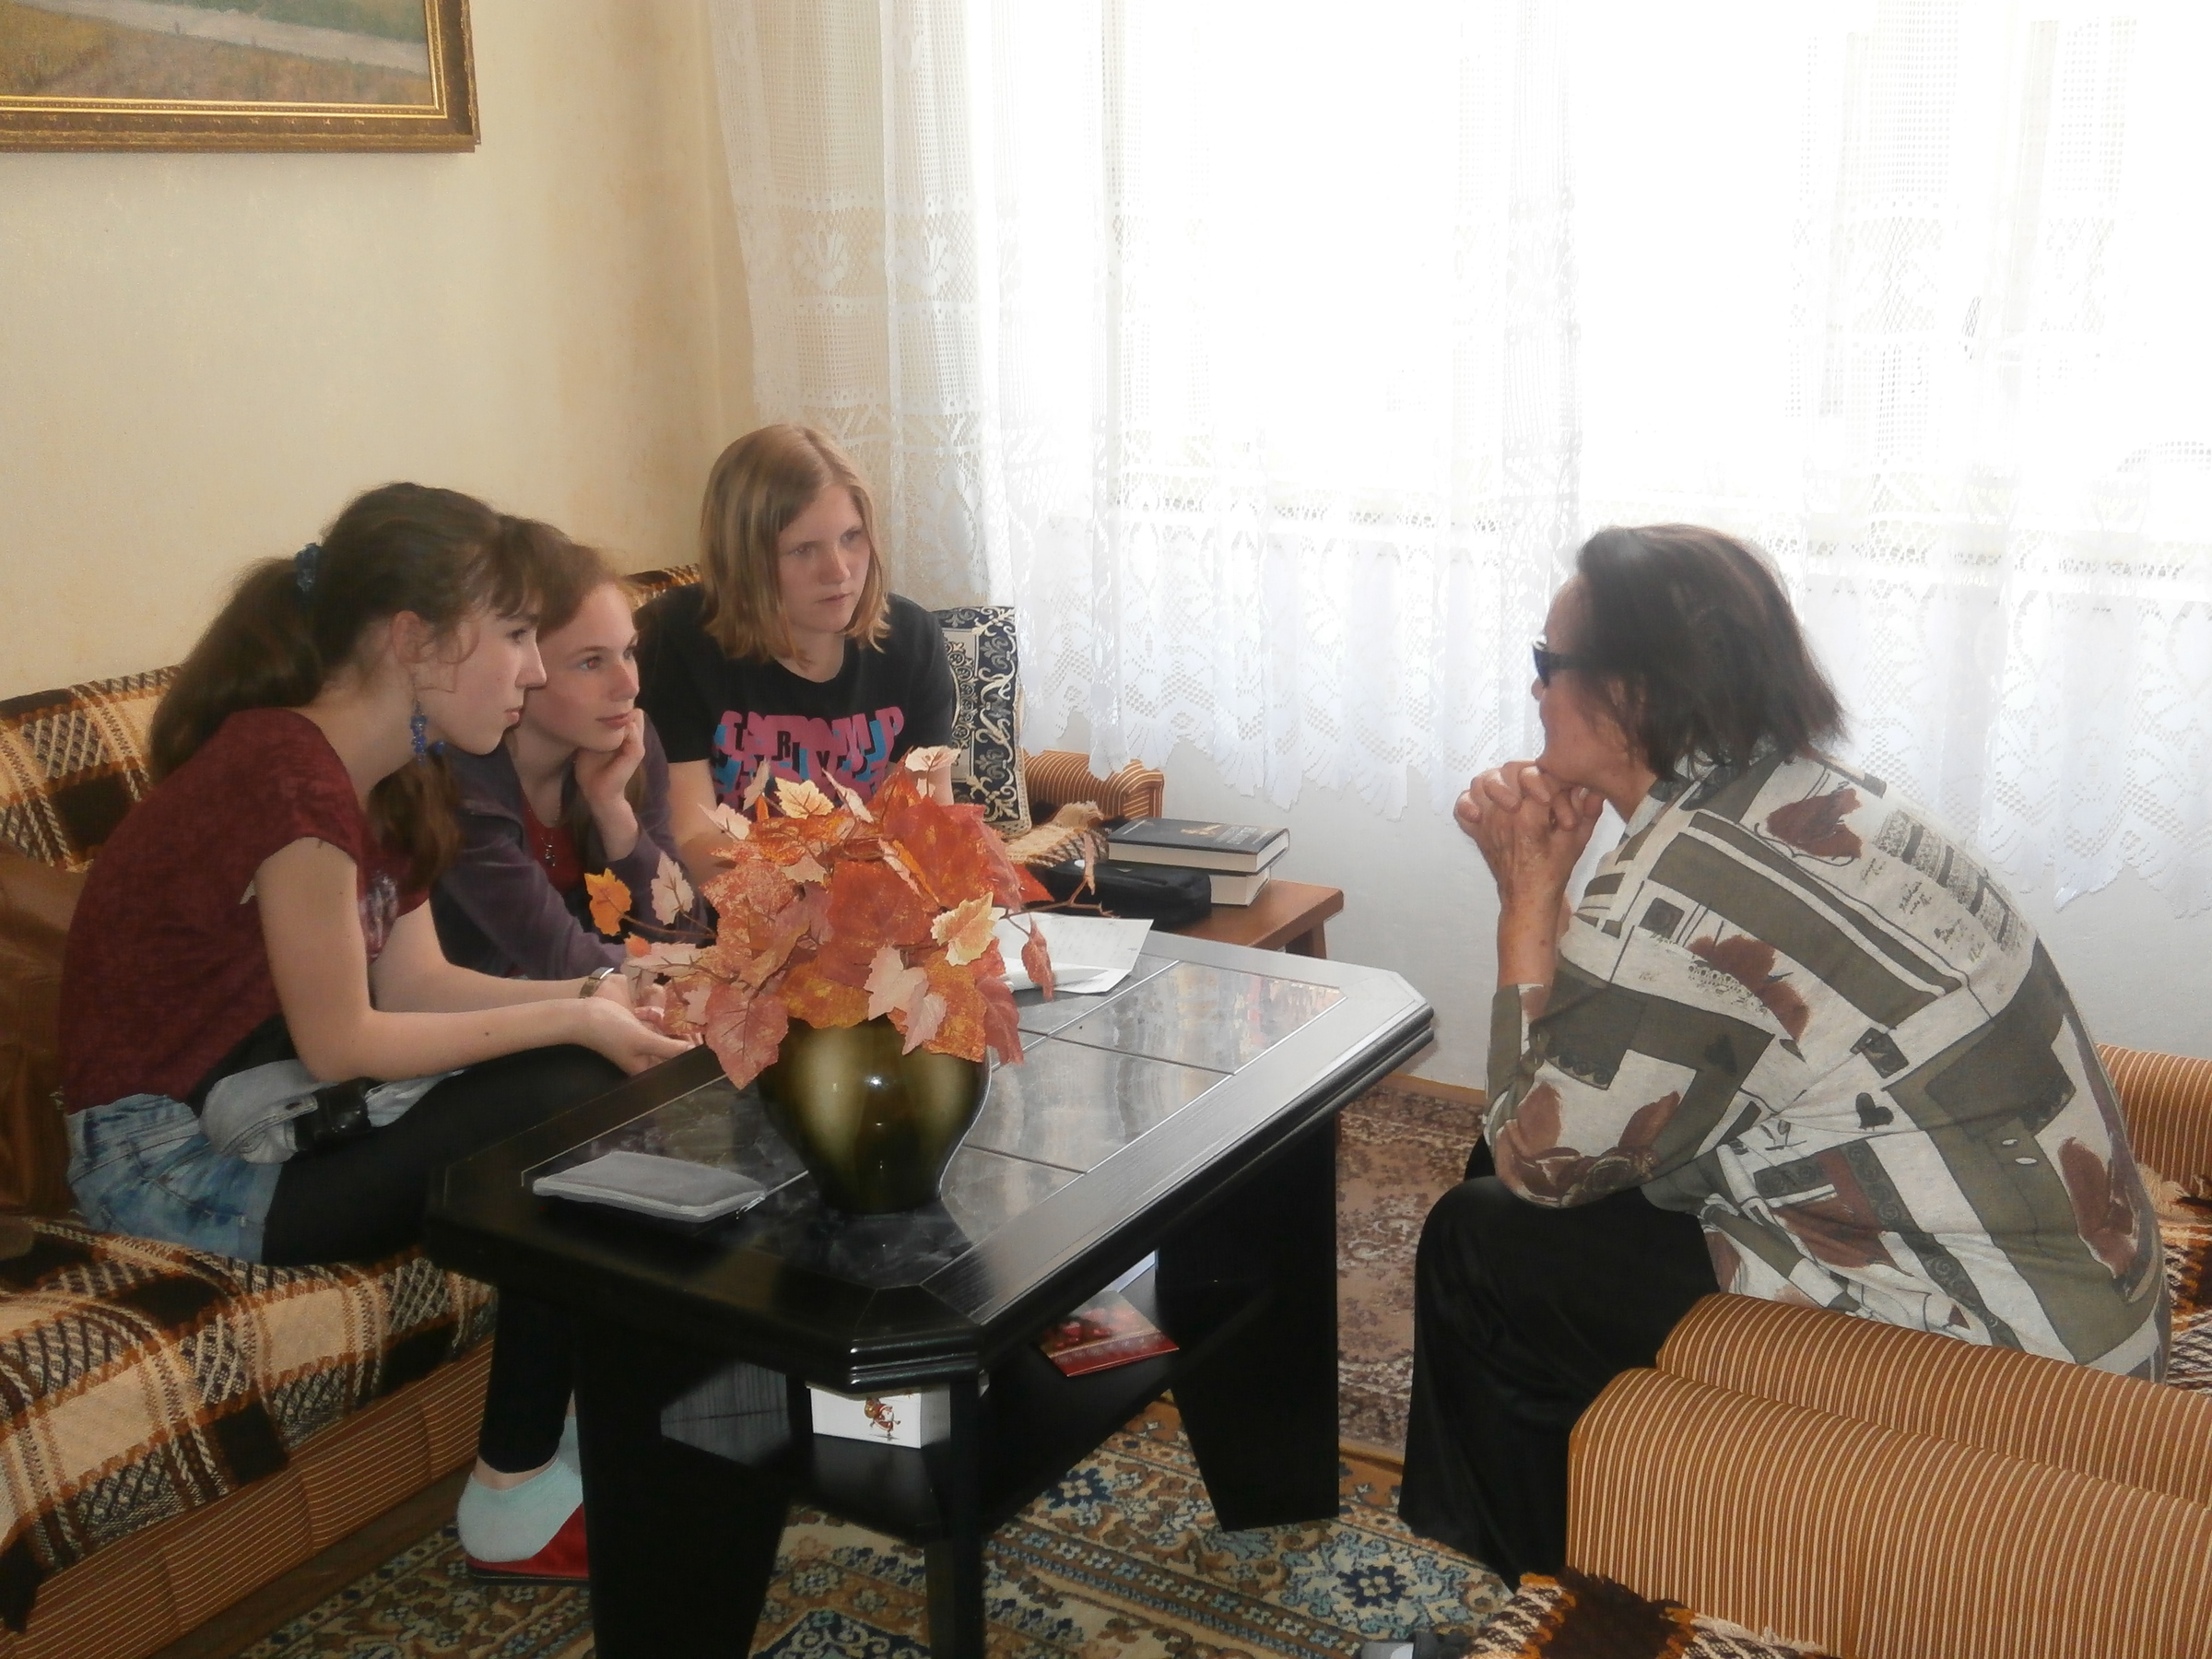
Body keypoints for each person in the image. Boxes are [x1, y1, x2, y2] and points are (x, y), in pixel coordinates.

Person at [1400, 524, 2167, 1584]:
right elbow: (1600, 1070)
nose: (1535, 688)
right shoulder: (1815, 799)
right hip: (2079, 1306)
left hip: (2004, 1372)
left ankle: (1502, 1588)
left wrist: (1530, 894)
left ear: (1628, 693)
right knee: (1508, 1170)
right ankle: (1594, 1502)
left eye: (1549, 661)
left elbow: (1543, 1162)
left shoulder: (1678, 886)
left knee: (1481, 1236)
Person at [59, 485, 691, 1585]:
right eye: (512, 636)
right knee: (565, 1093)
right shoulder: (287, 780)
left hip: (269, 1109)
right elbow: (345, 1040)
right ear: (414, 641)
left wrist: (604, 995)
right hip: (172, 1166)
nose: (531, 670)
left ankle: (586, 1434)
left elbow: (421, 983)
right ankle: (517, 1489)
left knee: (580, 1075)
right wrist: (572, 1017)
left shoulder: (389, 777)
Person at [636, 423, 957, 881]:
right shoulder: (675, 638)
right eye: (803, 549)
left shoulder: (912, 640)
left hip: (872, 905)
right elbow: (691, 839)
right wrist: (814, 886)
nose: (838, 571)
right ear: (743, 560)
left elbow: (926, 824)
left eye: (851, 536)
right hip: (732, 911)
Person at [433, 522, 687, 977]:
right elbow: (557, 959)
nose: (629, 686)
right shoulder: (461, 778)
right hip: (491, 1013)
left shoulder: (628, 742)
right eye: (591, 662)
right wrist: (691, 973)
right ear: (521, 664)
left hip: (599, 1002)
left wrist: (614, 813)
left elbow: (683, 926)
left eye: (629, 652)